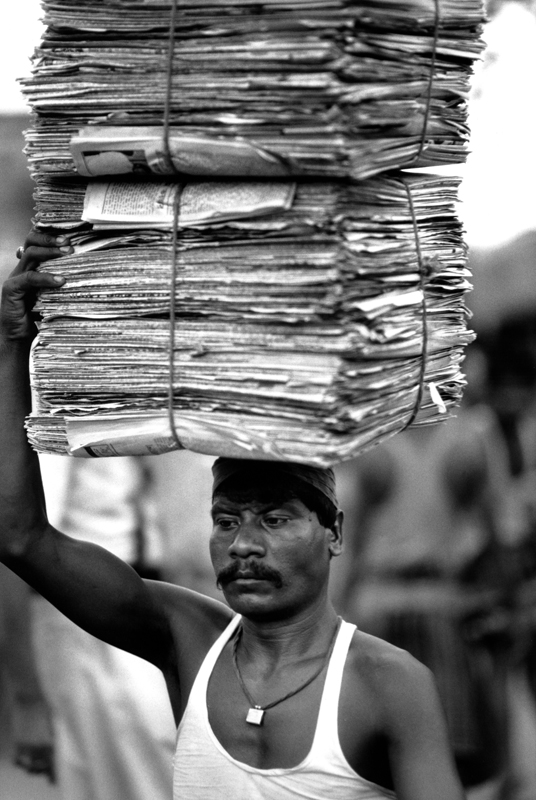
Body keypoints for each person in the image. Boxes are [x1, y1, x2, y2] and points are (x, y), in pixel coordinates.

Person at [0, 230, 466, 800]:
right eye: (226, 520)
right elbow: (18, 536)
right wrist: (12, 345)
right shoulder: (185, 638)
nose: (243, 544)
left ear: (334, 532)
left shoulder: (388, 683)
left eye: (274, 520)